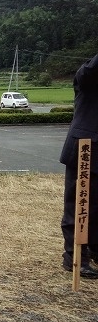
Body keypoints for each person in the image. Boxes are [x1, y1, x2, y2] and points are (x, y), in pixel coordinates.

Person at [60, 53, 98, 279]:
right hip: (86, 147)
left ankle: (95, 250)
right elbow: (90, 71)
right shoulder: (86, 77)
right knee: (79, 205)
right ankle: (75, 256)